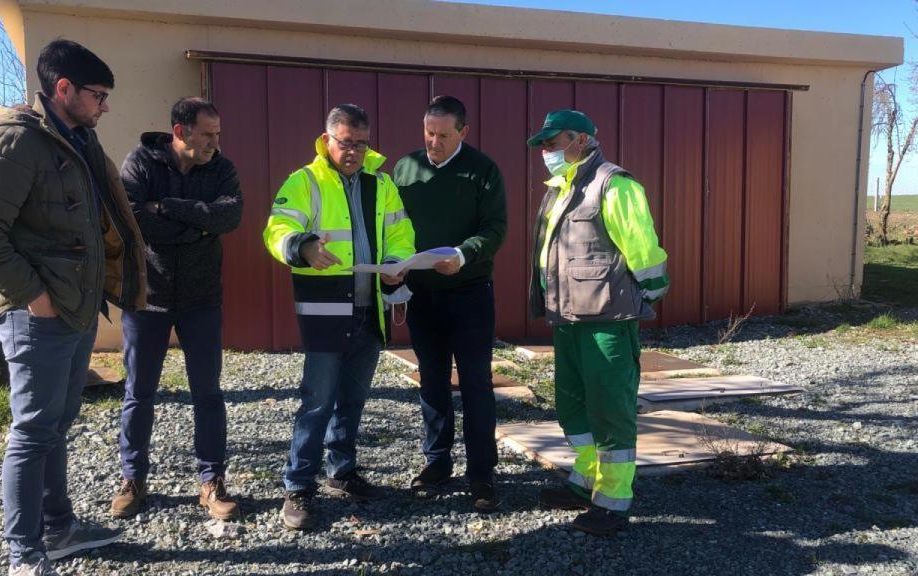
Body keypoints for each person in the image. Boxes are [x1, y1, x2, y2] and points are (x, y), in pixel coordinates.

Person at [0, 39, 147, 576]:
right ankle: (24, 554)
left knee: (56, 426)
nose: (105, 106)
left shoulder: (76, 140)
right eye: (98, 95)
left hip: (77, 309)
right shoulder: (16, 142)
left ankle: (58, 528)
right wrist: (34, 298)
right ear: (63, 89)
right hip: (39, 313)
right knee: (33, 429)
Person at [263, 104, 415, 530]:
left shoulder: (381, 184)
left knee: (352, 399)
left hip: (370, 311)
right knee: (317, 401)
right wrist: (304, 246)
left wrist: (400, 260)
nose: (353, 151)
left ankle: (341, 471)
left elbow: (401, 231)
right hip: (326, 308)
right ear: (327, 140)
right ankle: (298, 486)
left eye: (361, 142)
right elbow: (276, 229)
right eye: (346, 142)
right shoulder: (305, 181)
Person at [526, 109, 669, 536]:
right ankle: (584, 481)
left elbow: (643, 250)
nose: (547, 151)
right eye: (544, 145)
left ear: (582, 139)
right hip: (568, 319)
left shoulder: (615, 184)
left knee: (610, 410)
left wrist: (649, 291)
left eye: (554, 142)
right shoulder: (560, 187)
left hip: (607, 320)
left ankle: (613, 501)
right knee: (574, 408)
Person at [109, 98, 243, 521]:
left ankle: (211, 481)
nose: (215, 142)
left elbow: (230, 216)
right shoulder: (141, 163)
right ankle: (133, 478)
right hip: (148, 298)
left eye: (218, 133)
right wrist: (198, 228)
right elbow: (130, 218)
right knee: (139, 392)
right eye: (208, 134)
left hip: (203, 300)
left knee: (208, 393)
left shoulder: (221, 168)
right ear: (180, 131)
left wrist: (166, 206)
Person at [392, 95, 507, 512]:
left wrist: (462, 255)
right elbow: (392, 224)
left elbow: (495, 228)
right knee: (432, 381)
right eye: (428, 132)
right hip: (423, 295)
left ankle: (482, 473)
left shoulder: (483, 171)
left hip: (471, 293)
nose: (433, 142)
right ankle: (437, 464)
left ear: (464, 132)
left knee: (476, 384)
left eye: (443, 134)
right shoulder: (404, 169)